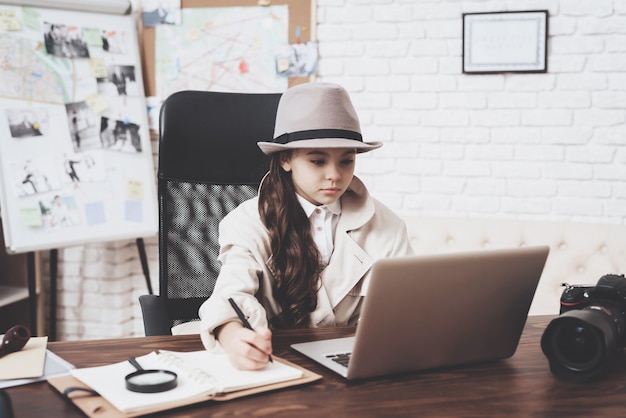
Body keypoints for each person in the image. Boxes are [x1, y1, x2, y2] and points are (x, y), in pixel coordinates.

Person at [198, 82, 414, 370]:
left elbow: (409, 306)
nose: (334, 175)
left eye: (346, 161)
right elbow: (230, 294)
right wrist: (231, 334)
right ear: (285, 159)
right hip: (277, 363)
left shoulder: (387, 225)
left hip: (358, 360)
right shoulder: (246, 223)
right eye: (317, 160)